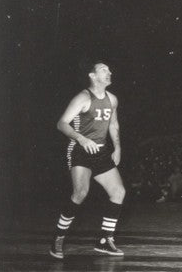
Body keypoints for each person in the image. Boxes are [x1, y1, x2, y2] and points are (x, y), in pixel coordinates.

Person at [50, 60, 126, 258]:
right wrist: (82, 139)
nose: (109, 72)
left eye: (109, 69)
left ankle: (104, 240)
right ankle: (58, 237)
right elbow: (61, 123)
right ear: (92, 76)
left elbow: (113, 124)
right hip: (80, 150)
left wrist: (117, 148)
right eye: (103, 70)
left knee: (118, 192)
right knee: (81, 193)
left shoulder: (112, 99)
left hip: (101, 152)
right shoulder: (83, 98)